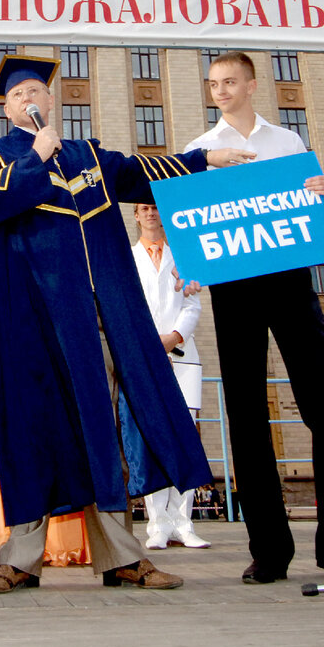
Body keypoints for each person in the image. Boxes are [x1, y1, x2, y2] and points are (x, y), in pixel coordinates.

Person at [0, 55, 248, 595]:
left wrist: (207, 157)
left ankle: (122, 558)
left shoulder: (89, 155)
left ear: (52, 101)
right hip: (35, 325)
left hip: (97, 318)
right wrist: (32, 161)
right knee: (34, 429)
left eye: (35, 92)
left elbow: (141, 171)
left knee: (104, 429)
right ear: (4, 107)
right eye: (16, 94)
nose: (28, 99)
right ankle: (20, 560)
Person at [185, 51, 324, 585]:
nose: (221, 90)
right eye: (214, 84)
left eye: (230, 81)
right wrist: (191, 262)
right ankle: (269, 550)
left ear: (253, 85)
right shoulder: (199, 150)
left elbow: (313, 205)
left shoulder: (288, 142)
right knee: (248, 416)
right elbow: (190, 220)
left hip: (291, 279)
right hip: (234, 289)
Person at [130, 202, 210, 550]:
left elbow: (193, 304)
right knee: (152, 436)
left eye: (154, 208)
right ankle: (158, 525)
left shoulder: (183, 254)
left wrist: (175, 337)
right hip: (145, 355)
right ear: (135, 215)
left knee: (185, 435)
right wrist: (150, 342)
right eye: (143, 208)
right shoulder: (127, 257)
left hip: (182, 353)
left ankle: (184, 523)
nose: (150, 213)